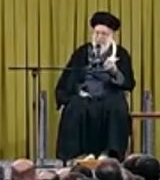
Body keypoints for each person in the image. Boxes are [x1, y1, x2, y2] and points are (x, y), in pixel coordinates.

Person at [55, 11, 136, 161]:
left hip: (109, 94)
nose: (100, 37)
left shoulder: (121, 53)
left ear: (111, 35)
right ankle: (77, 154)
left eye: (104, 34)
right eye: (97, 33)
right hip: (85, 95)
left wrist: (114, 71)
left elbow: (128, 82)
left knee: (116, 106)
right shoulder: (82, 52)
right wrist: (78, 90)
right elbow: (70, 78)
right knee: (75, 106)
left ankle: (110, 153)